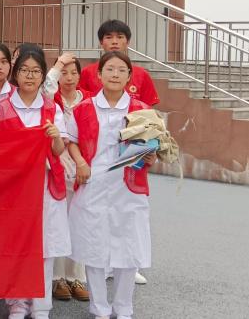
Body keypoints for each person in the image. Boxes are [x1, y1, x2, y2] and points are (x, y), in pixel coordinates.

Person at [67, 51, 157, 319]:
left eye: (121, 70)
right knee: (94, 248)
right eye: (110, 69)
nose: (115, 74)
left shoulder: (141, 110)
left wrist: (151, 156)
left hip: (128, 187)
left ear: (129, 77)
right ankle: (99, 308)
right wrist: (80, 162)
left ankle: (123, 307)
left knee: (128, 248)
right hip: (93, 185)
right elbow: (71, 140)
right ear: (99, 75)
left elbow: (152, 147)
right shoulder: (83, 109)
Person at [0, 49, 70, 319]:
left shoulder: (52, 108)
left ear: (43, 76)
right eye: (24, 70)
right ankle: (16, 303)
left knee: (45, 248)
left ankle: (41, 305)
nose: (30, 76)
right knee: (15, 246)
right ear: (15, 74)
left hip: (44, 187)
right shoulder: (2, 107)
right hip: (14, 188)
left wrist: (55, 136)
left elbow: (59, 149)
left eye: (36, 71)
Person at [50, 52, 92, 303]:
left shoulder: (89, 100)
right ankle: (58, 278)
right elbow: (46, 85)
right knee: (59, 221)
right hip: (59, 163)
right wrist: (57, 65)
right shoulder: (51, 98)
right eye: (63, 73)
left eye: (74, 72)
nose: (69, 77)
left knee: (80, 221)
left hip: (84, 164)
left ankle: (77, 277)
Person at [78, 20, 159, 107]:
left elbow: (148, 108)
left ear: (127, 42)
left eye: (120, 37)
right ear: (101, 42)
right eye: (109, 37)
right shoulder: (87, 73)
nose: (114, 42)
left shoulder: (142, 74)